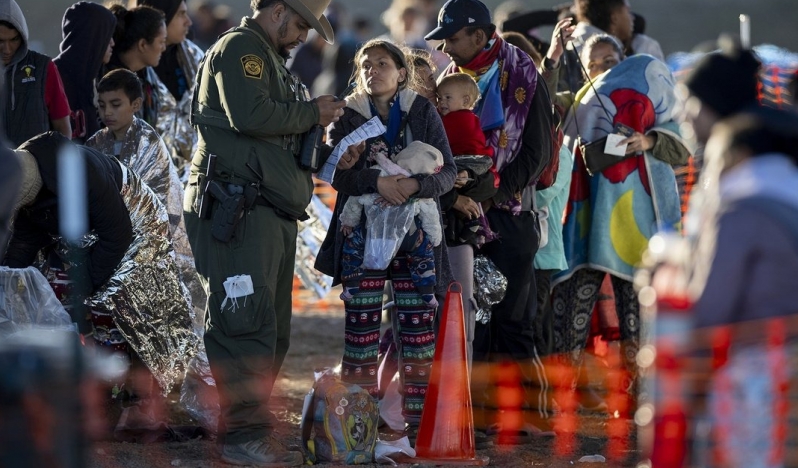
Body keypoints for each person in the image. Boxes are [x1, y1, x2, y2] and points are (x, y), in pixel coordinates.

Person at [183, 0, 356, 465]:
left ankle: (247, 424)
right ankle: (242, 436)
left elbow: (272, 138)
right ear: (278, 10)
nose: (303, 36)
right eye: (300, 24)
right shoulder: (242, 49)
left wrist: (326, 152)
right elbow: (252, 116)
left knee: (270, 329)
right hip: (239, 210)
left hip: (264, 210)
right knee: (245, 325)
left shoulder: (270, 61)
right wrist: (310, 113)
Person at [2, 132, 197, 439]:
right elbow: (23, 246)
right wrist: (6, 286)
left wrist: (86, 289)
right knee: (63, 296)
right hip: (87, 227)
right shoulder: (27, 180)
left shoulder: (81, 172)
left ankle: (140, 405)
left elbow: (117, 234)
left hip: (134, 221)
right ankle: (95, 395)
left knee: (127, 306)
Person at [315, 38, 456, 440]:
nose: (371, 70)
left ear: (400, 72)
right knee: (360, 333)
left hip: (415, 238)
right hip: (361, 236)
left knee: (416, 332)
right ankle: (356, 429)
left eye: (381, 63)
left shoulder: (422, 110)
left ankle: (416, 428)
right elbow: (335, 174)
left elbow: (446, 173)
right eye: (365, 64)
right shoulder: (347, 115)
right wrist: (378, 182)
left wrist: (411, 184)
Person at [425, 0, 555, 435]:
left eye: (452, 37)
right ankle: (474, 414)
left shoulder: (523, 71)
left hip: (511, 213)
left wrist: (496, 189)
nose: (445, 45)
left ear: (479, 36)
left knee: (515, 316)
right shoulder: (447, 79)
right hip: (461, 214)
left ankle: (528, 417)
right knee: (471, 316)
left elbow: (538, 150)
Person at [684, 108, 798, 467]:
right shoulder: (789, 202)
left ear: (739, 157)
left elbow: (710, 310)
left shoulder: (738, 212)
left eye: (715, 158)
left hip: (756, 381)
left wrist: (688, 386)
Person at [85, 68, 203, 319]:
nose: (107, 112)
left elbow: (157, 196)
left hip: (145, 239)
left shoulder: (148, 141)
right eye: (102, 105)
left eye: (116, 105)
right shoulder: (95, 143)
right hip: (107, 237)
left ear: (136, 104)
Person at [338, 140, 445, 307]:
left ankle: (351, 284)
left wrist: (348, 221)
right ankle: (427, 289)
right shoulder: (418, 186)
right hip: (409, 235)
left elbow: (356, 198)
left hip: (370, 232)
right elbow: (430, 212)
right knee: (424, 254)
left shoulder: (377, 172)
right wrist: (434, 236)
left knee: (352, 248)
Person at [137, 0, 204, 181]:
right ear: (161, 16)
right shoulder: (136, 66)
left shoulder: (193, 56)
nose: (188, 21)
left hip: (194, 175)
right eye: (181, 14)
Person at [436, 72, 496, 247]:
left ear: (465, 101)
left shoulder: (457, 119)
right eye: (439, 98)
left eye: (447, 97)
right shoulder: (470, 118)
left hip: (469, 161)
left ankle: (471, 223)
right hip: (475, 162)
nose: (442, 103)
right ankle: (471, 222)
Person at [0, 0, 71, 147]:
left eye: (13, 40)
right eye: (0, 41)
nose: (7, 49)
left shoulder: (44, 68)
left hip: (38, 167)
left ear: (22, 35)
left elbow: (63, 130)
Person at [54, 2, 117, 144]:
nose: (112, 43)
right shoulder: (52, 77)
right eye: (107, 36)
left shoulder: (92, 80)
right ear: (92, 36)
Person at [107, 4, 167, 129]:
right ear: (143, 45)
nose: (164, 48)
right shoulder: (109, 82)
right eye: (161, 42)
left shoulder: (148, 79)